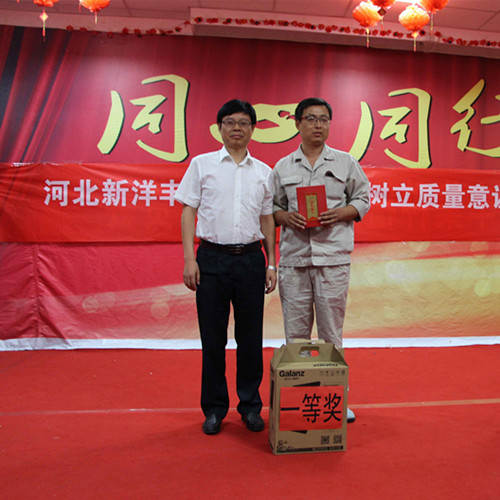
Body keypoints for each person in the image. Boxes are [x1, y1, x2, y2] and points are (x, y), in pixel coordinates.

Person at [175, 99, 277, 435]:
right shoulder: (201, 165)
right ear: (219, 128)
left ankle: (250, 406)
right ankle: (215, 408)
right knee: (213, 338)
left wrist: (271, 263)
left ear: (253, 129)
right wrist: (189, 259)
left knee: (250, 339)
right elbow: (188, 211)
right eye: (230, 122)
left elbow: (267, 219)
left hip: (250, 260)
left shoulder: (264, 172)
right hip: (211, 259)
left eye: (244, 123)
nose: (237, 128)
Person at [272, 97, 370, 423]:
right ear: (298, 123)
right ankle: (299, 401)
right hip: (295, 261)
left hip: (333, 259)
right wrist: (285, 217)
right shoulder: (283, 167)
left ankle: (335, 400)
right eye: (311, 119)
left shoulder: (345, 162)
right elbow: (271, 207)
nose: (318, 125)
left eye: (324, 119)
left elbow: (363, 198)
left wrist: (342, 213)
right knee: (296, 336)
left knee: (331, 334)